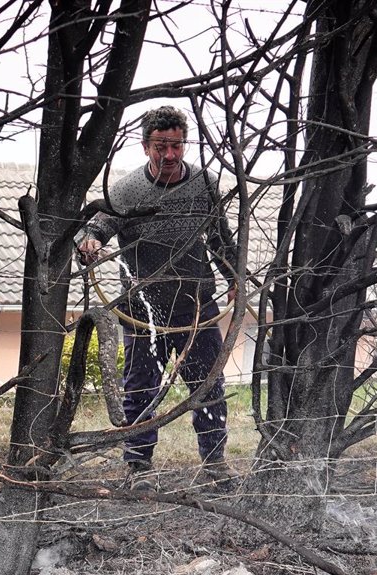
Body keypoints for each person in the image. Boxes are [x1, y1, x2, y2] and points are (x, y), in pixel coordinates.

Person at [77, 106, 237, 491]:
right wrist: (91, 241)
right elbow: (100, 224)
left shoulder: (205, 184)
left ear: (184, 144)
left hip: (195, 306)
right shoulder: (127, 189)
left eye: (176, 146)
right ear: (146, 145)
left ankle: (215, 465)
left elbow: (220, 237)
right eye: (160, 146)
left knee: (208, 387)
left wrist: (234, 276)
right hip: (140, 309)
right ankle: (137, 467)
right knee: (141, 387)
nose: (169, 155)